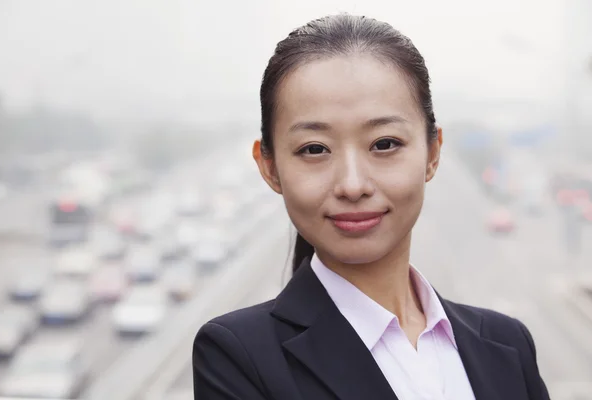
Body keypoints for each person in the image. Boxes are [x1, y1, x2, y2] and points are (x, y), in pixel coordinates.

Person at [193, 14, 550, 400]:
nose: (352, 185)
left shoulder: (507, 344)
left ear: (432, 153)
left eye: (384, 144)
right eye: (314, 149)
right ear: (270, 168)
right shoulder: (238, 357)